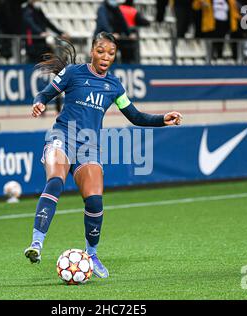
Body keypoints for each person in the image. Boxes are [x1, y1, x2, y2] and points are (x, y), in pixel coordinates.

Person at [24, 32, 183, 278]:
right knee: (55, 180)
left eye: (111, 53)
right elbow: (44, 94)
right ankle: (36, 243)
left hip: (89, 146)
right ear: (92, 51)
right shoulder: (73, 72)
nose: (106, 57)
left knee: (95, 200)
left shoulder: (114, 86)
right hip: (62, 136)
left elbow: (136, 117)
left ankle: (92, 254)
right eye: (101, 51)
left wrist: (163, 119)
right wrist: (39, 103)